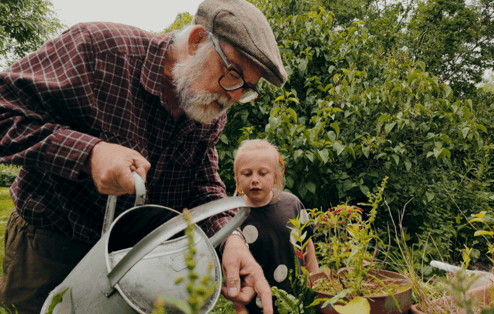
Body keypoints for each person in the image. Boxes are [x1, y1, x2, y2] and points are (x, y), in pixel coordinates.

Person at [0, 0, 289, 312]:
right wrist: (90, 153)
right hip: (49, 246)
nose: (234, 95)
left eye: (246, 88)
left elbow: (201, 184)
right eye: (233, 73)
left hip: (135, 261)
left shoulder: (208, 107)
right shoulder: (99, 50)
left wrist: (231, 239)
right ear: (196, 42)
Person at [230, 139, 319, 313]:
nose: (254, 180)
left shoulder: (292, 204)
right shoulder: (234, 216)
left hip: (298, 300)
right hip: (256, 306)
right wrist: (240, 309)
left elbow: (308, 246)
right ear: (237, 178)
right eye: (247, 174)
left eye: (263, 173)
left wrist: (315, 283)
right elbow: (232, 269)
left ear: (276, 176)